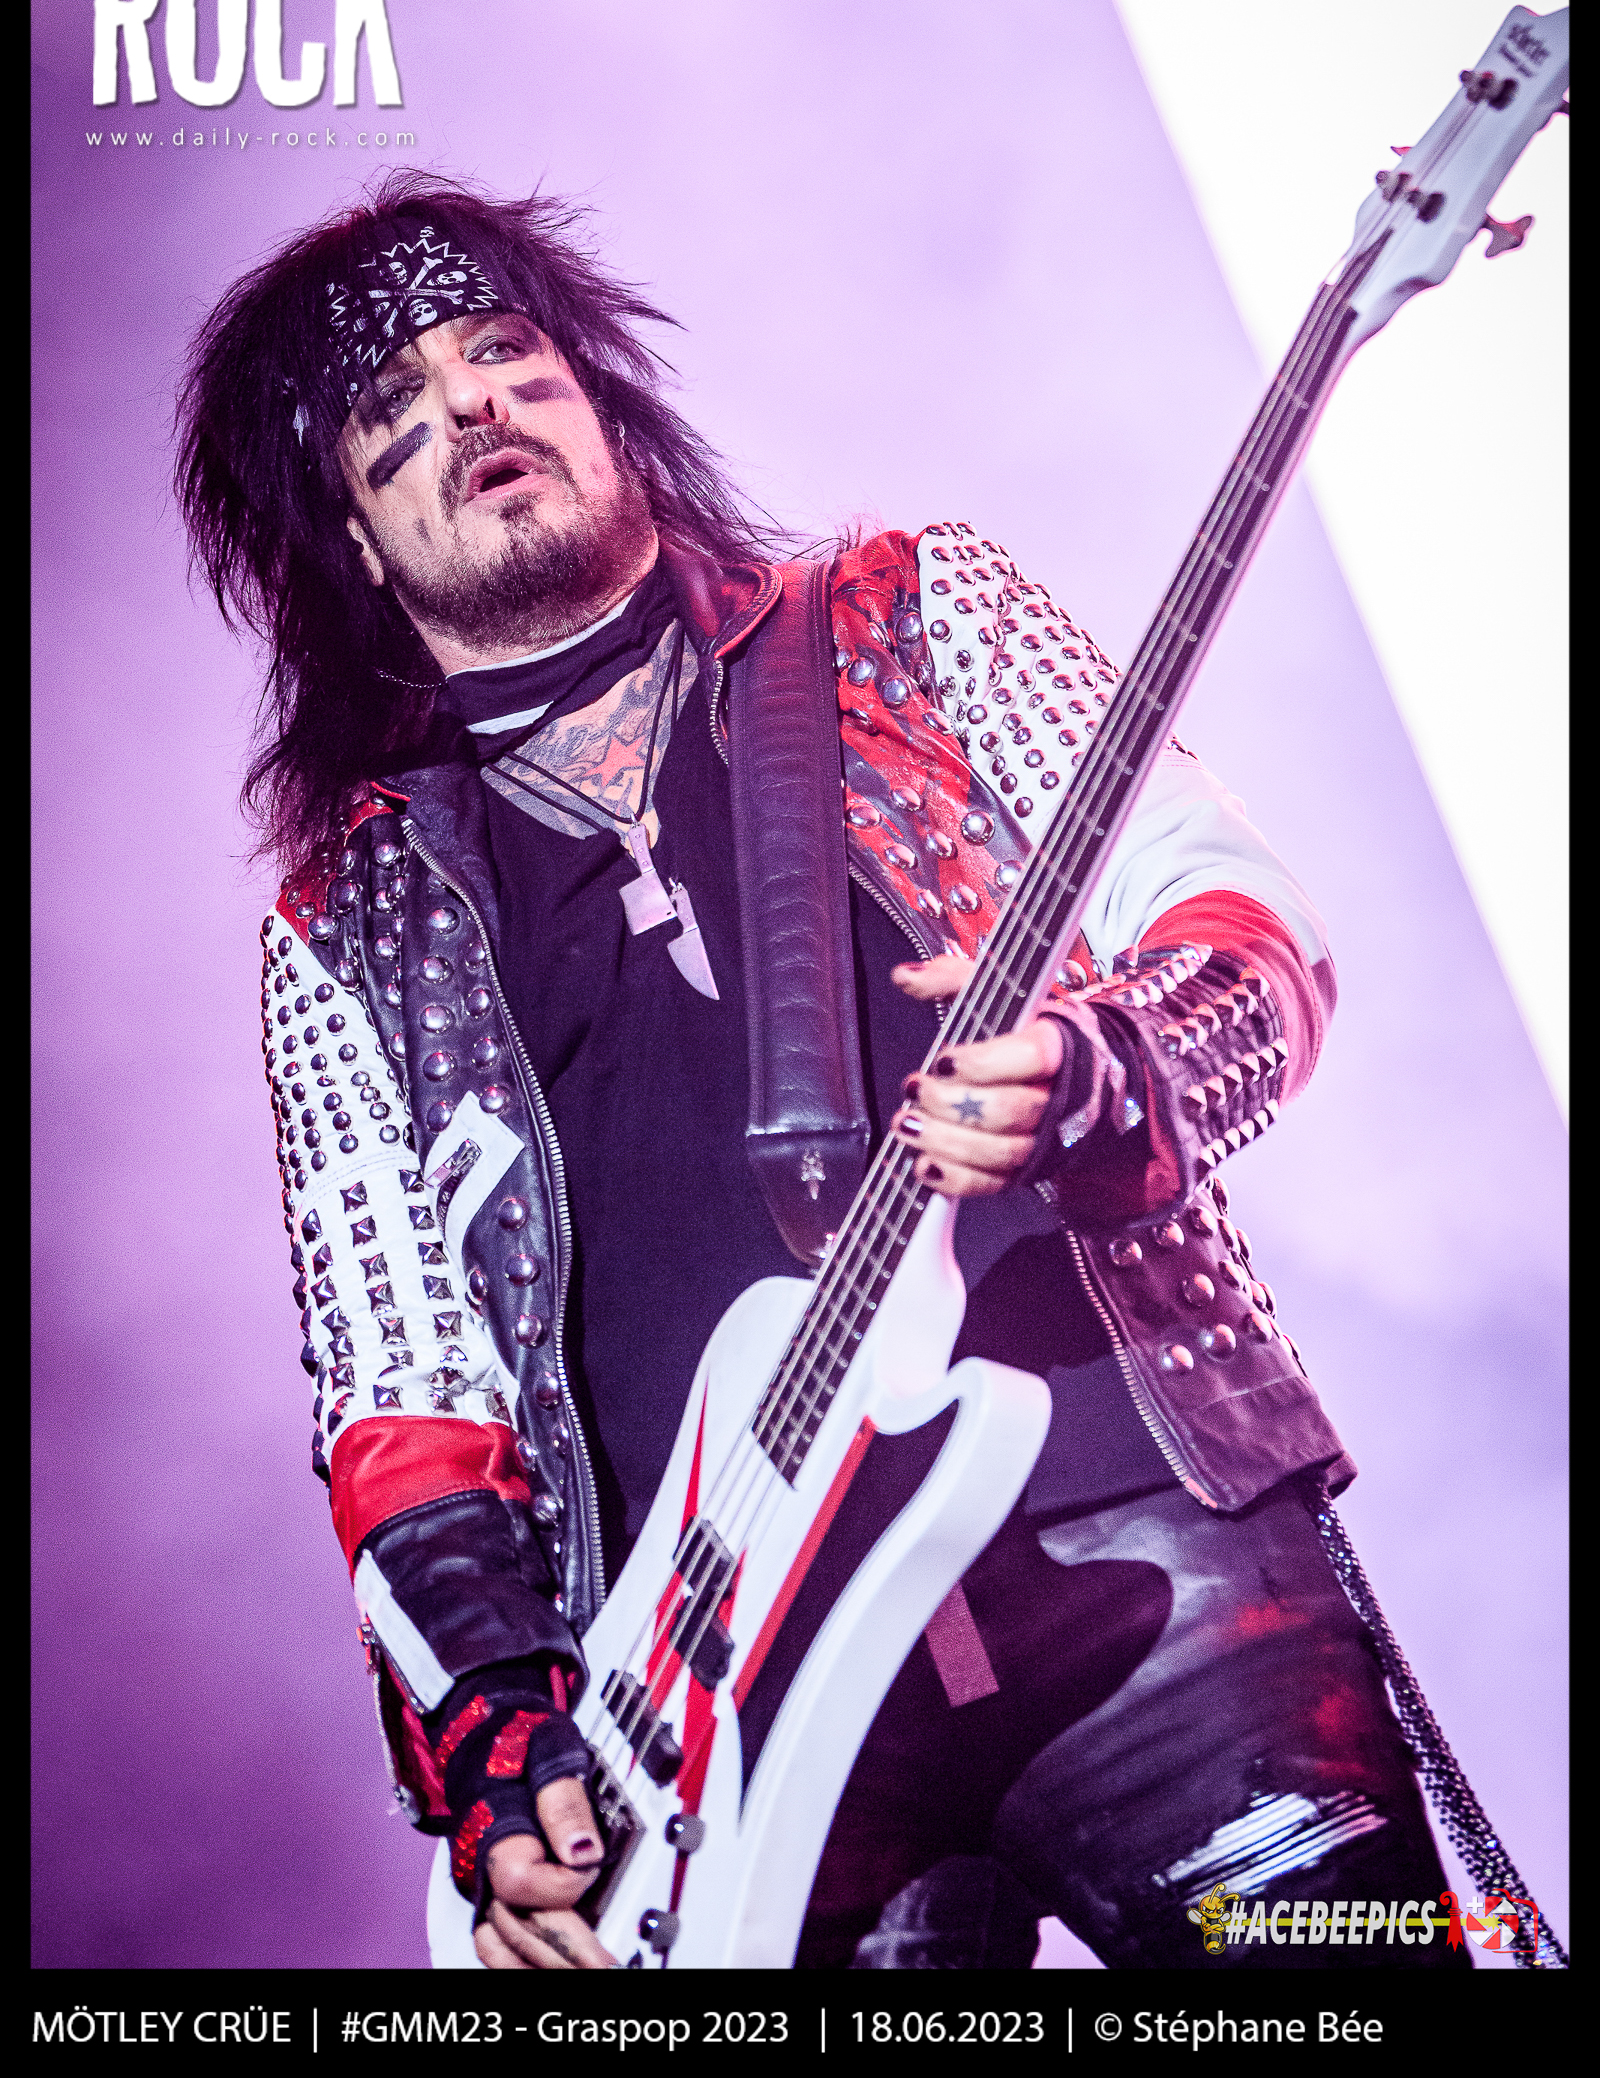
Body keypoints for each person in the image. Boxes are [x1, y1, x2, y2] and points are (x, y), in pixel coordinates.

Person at [176, 174, 1464, 1972]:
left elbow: (1249, 935)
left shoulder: (913, 614)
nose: (472, 403)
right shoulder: (350, 921)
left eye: (510, 356)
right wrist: (497, 1734)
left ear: (602, 406)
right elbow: (399, 1386)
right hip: (731, 1714)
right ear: (358, 542)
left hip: (1132, 1533)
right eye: (396, 406)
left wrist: (1099, 1069)